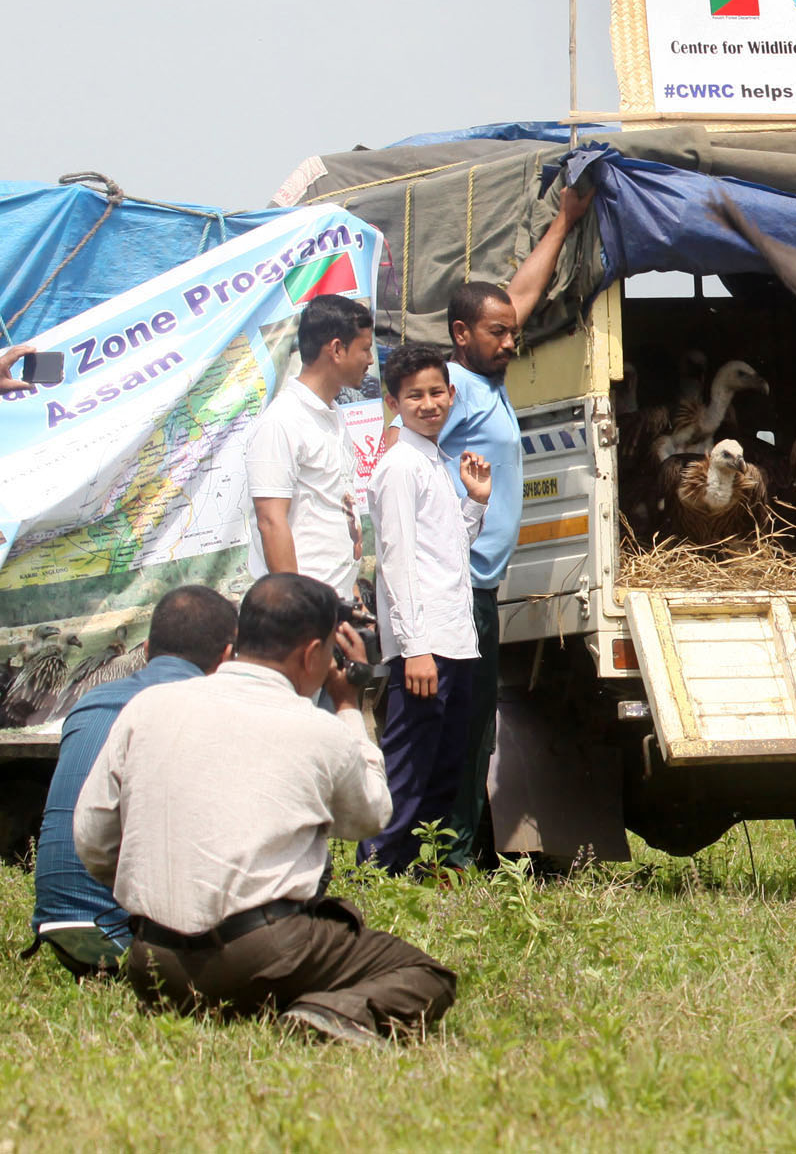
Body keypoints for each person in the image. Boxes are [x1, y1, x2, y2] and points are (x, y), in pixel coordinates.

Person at [74, 574, 455, 1044]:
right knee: (424, 974)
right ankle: (325, 1012)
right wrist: (348, 706)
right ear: (313, 652)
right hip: (262, 957)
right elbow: (371, 816)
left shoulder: (147, 708)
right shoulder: (317, 729)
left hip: (154, 966)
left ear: (240, 636)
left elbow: (92, 839)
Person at [431, 174, 592, 865]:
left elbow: (518, 296)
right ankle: (450, 857)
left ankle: (464, 850)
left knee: (476, 731)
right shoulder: (448, 388)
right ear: (461, 334)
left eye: (511, 332)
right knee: (457, 728)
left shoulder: (485, 378)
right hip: (453, 585)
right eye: (497, 334)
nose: (511, 341)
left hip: (480, 588)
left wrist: (563, 221)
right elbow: (400, 461)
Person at [30, 586, 239, 975]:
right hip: (134, 938)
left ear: (144, 649)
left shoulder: (90, 700)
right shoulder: (202, 708)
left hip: (58, 928)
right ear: (227, 658)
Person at [361, 345, 494, 874]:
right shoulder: (398, 467)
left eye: (437, 392)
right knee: (410, 767)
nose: (428, 403)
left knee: (444, 765)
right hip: (426, 647)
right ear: (394, 403)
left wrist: (475, 501)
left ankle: (419, 867)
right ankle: (378, 869)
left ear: (452, 395)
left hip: (454, 638)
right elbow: (395, 563)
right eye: (414, 395)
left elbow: (446, 551)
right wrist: (414, 650)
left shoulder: (433, 462)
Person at [247, 293, 374, 600]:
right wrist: (298, 613)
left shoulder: (335, 415)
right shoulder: (282, 421)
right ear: (337, 349)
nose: (370, 360)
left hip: (336, 603)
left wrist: (351, 586)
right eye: (365, 349)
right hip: (305, 613)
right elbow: (270, 520)